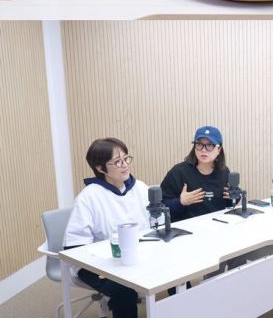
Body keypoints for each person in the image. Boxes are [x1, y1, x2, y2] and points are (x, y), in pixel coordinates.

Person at [63, 137, 148, 318]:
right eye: (117, 162)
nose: (125, 165)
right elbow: (75, 248)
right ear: (101, 169)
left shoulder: (140, 188)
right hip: (95, 264)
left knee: (174, 271)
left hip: (134, 255)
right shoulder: (88, 198)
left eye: (126, 158)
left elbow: (154, 225)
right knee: (123, 291)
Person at [161, 126, 232, 220]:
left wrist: (234, 197)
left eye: (210, 145)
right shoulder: (178, 172)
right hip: (186, 227)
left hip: (218, 224)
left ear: (219, 149)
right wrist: (180, 202)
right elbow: (161, 206)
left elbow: (227, 204)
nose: (203, 149)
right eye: (199, 144)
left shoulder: (224, 172)